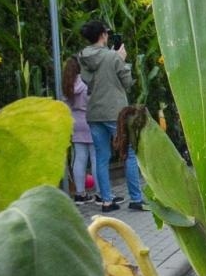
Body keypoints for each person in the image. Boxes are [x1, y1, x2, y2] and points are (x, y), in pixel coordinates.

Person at [77, 19, 145, 213]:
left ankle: (107, 201)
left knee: (101, 157)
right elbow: (127, 82)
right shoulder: (112, 57)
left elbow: (87, 81)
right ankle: (136, 198)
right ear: (103, 35)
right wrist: (122, 60)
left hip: (94, 113)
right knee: (129, 154)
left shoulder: (83, 57)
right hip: (115, 112)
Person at [62, 56, 93, 201]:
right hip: (88, 121)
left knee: (79, 158)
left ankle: (80, 194)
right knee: (95, 158)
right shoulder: (85, 85)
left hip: (75, 123)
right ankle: (100, 193)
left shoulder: (67, 86)